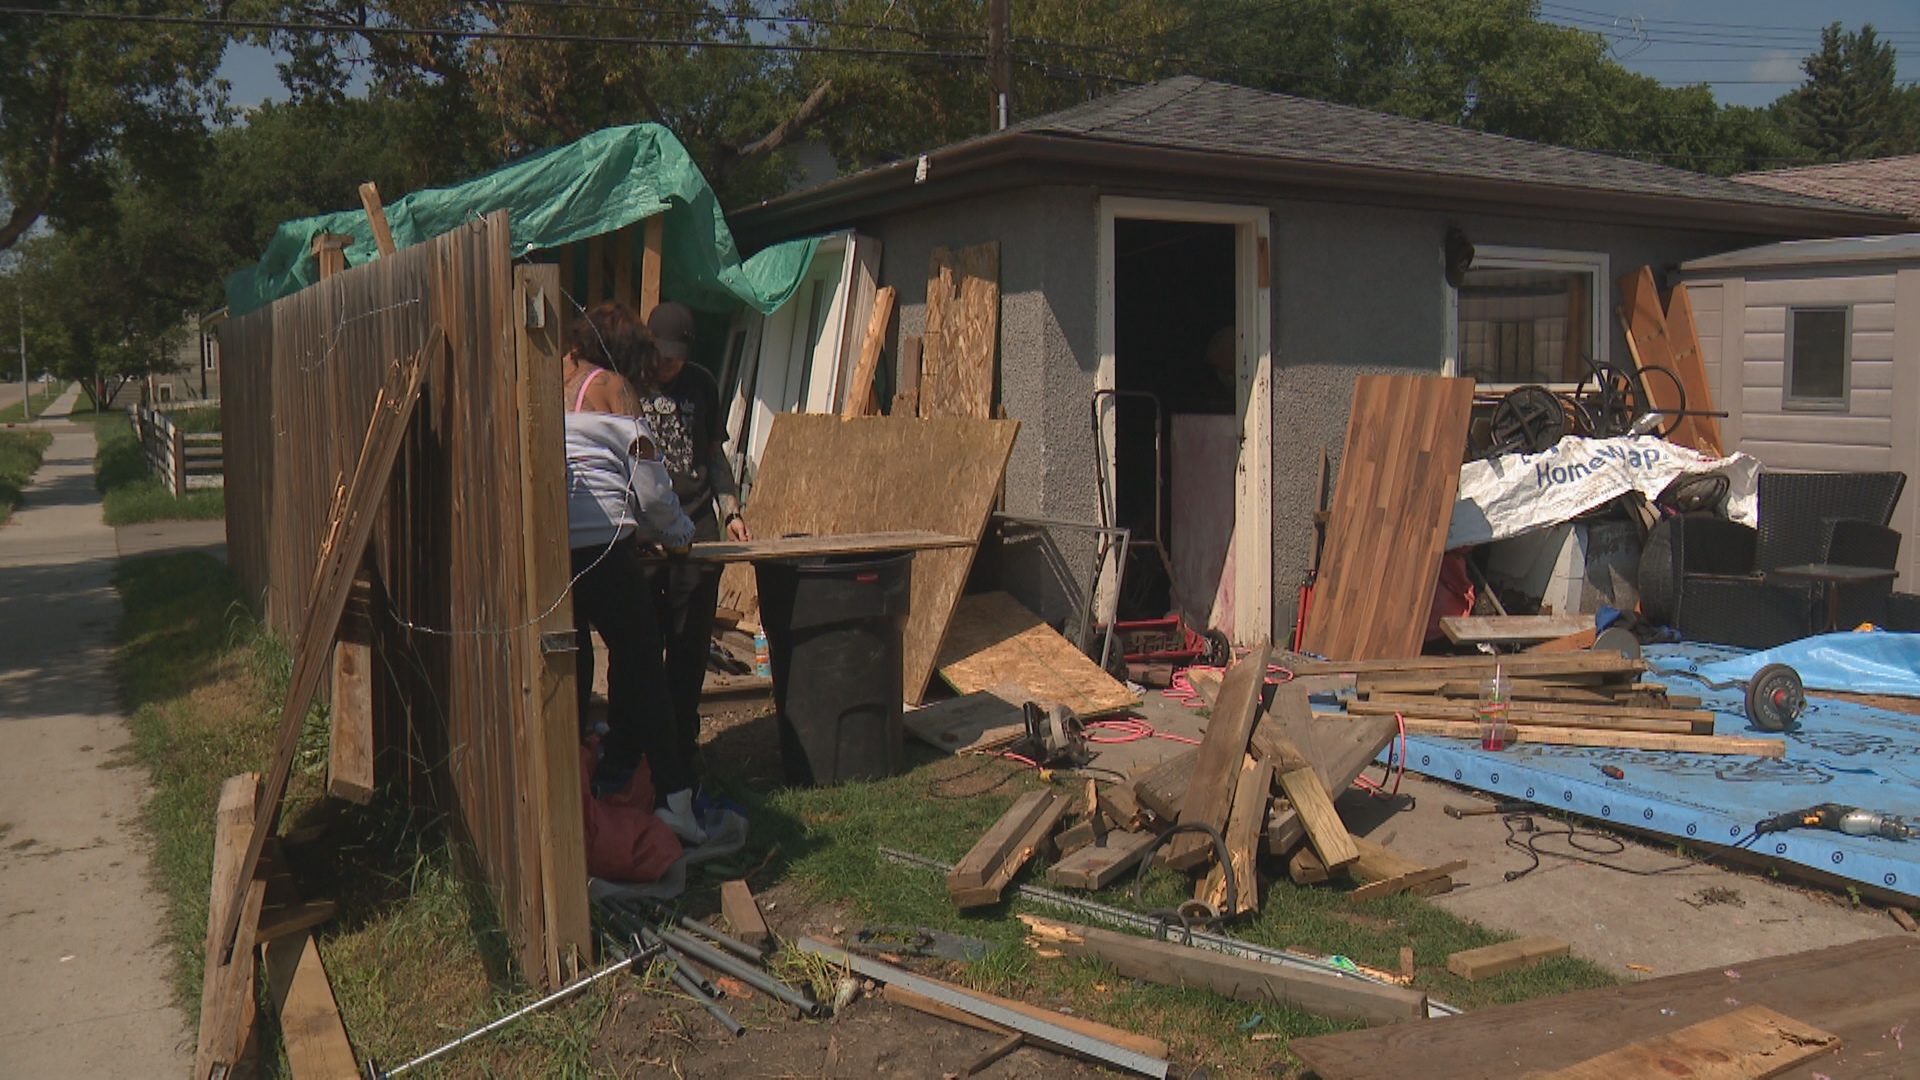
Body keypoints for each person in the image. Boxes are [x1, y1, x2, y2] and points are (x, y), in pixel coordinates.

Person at [561, 302, 704, 841]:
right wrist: (679, 535)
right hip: (605, 546)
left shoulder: (556, 382)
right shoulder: (615, 389)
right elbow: (648, 486)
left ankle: (570, 789)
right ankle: (675, 799)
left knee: (568, 664)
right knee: (645, 667)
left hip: (555, 549)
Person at [639, 301, 748, 784]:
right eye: (663, 356)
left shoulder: (702, 383)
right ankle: (641, 747)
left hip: (698, 531)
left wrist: (732, 509)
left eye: (677, 357)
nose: (669, 365)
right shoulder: (625, 383)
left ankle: (682, 751)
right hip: (644, 537)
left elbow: (713, 454)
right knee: (642, 644)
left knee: (689, 648)